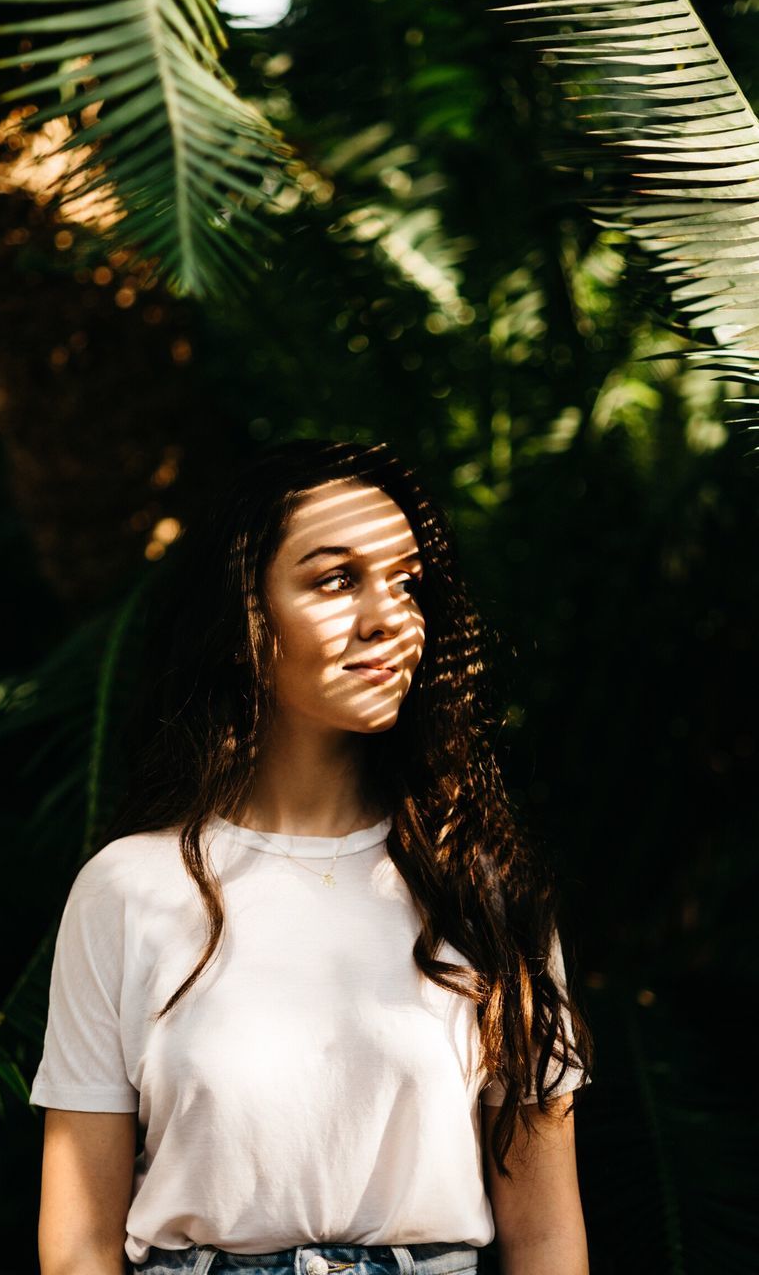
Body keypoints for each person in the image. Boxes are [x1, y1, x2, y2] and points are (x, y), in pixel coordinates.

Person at [29, 439, 592, 1275]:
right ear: (243, 619)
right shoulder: (127, 890)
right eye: (336, 579)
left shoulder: (484, 890)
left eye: (405, 581)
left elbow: (545, 1233)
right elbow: (78, 1244)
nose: (388, 616)